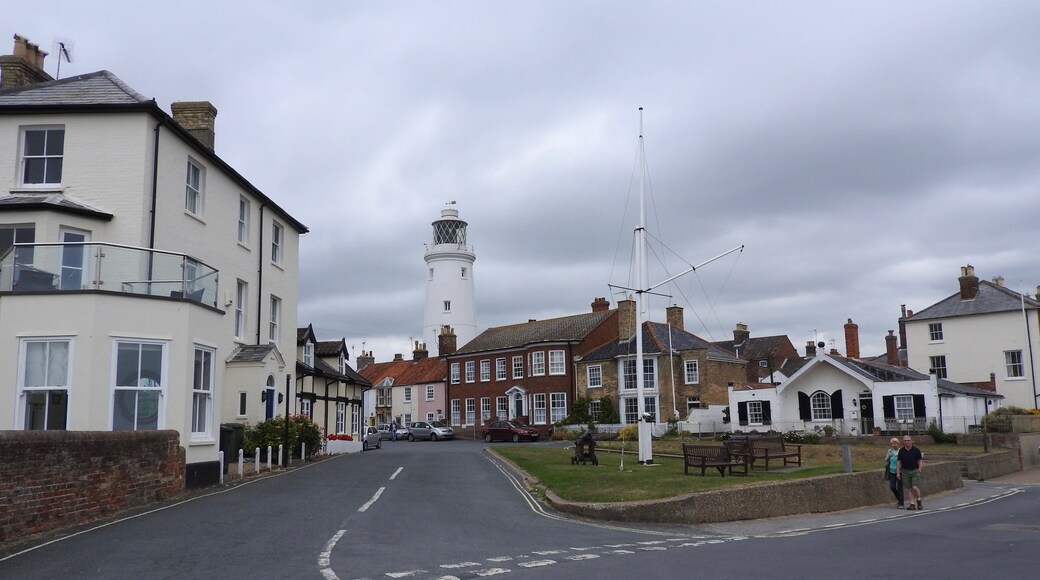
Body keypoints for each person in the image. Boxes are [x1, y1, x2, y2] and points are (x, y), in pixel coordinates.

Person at [897, 434, 924, 510]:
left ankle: (918, 499)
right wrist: (898, 472)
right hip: (905, 470)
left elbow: (920, 460)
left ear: (911, 441)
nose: (907, 442)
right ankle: (912, 503)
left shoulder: (916, 450)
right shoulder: (901, 451)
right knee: (909, 488)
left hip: (915, 470)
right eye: (905, 441)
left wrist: (919, 469)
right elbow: (899, 462)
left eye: (908, 440)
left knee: (914, 487)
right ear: (903, 442)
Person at [884, 437, 904, 508]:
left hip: (900, 471)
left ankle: (901, 503)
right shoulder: (890, 451)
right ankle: (900, 499)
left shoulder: (901, 451)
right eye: (892, 444)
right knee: (892, 487)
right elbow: (886, 460)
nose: (894, 445)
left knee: (900, 487)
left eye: (895, 443)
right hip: (892, 471)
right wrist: (889, 455)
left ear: (898, 444)